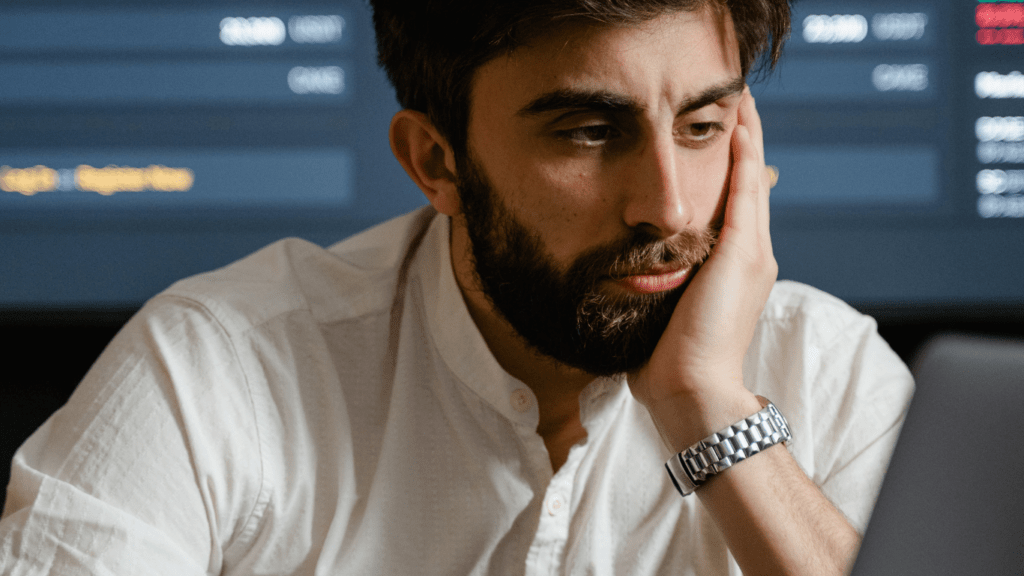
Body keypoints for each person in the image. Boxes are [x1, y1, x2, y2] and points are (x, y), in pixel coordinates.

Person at [0, 1, 913, 574]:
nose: (666, 206)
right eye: (590, 133)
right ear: (436, 161)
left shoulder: (832, 375)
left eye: (703, 124)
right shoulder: (219, 367)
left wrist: (708, 407)